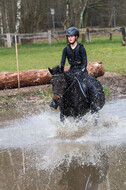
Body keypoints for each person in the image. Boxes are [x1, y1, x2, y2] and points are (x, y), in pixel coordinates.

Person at [50, 27, 99, 113]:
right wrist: (60, 71)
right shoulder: (66, 49)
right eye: (68, 37)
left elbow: (85, 63)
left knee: (89, 86)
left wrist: (81, 71)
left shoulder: (81, 48)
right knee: (62, 84)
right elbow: (62, 63)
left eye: (71, 36)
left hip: (82, 71)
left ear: (76, 37)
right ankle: (56, 103)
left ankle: (93, 104)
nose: (70, 38)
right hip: (71, 71)